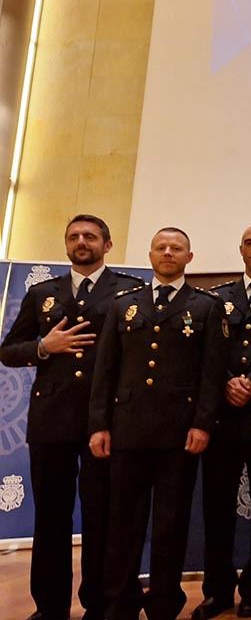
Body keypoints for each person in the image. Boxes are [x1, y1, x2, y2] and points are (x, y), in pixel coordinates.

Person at [0, 215, 142, 620]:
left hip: (106, 421)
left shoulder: (130, 290)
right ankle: (50, 606)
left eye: (90, 236)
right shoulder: (42, 293)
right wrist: (44, 346)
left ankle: (100, 603)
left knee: (102, 516)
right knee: (51, 518)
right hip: (52, 418)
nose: (81, 242)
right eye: (74, 236)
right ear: (66, 245)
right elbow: (8, 351)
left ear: (107, 245)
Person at [88, 227, 227, 620]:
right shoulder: (123, 305)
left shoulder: (206, 306)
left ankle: (164, 603)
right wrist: (98, 424)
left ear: (189, 257)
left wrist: (203, 423)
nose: (168, 253)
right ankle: (120, 602)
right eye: (161, 247)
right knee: (123, 522)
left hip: (178, 433)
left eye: (176, 248)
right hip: (127, 429)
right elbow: (105, 370)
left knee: (170, 523)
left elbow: (212, 373)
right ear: (150, 255)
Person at [192, 224, 251, 620]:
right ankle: (217, 590)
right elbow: (206, 350)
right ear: (241, 250)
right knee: (217, 508)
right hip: (223, 418)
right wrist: (228, 380)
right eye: (250, 243)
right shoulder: (219, 297)